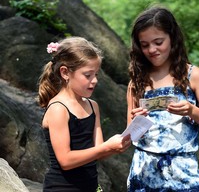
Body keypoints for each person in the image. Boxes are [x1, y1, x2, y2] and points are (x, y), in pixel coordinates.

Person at [126, 6, 199, 191]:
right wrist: (138, 122)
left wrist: (192, 111)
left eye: (158, 42)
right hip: (144, 172)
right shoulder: (136, 82)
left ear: (172, 38)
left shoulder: (192, 75)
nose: (152, 49)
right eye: (144, 45)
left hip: (183, 172)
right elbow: (129, 138)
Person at [38, 36, 131, 192]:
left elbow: (98, 152)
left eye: (96, 75)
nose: (94, 81)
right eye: (88, 75)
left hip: (90, 186)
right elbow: (65, 160)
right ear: (65, 72)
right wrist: (106, 147)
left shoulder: (92, 106)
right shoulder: (58, 108)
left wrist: (115, 147)